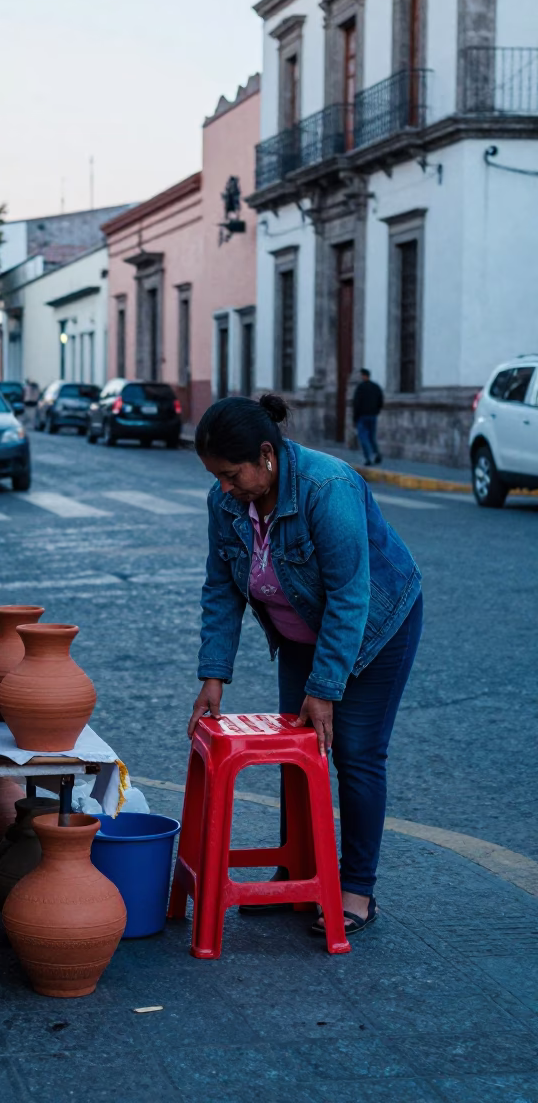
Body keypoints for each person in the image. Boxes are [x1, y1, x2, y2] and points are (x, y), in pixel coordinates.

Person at [189, 394, 423, 937]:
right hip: (300, 632)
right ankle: (300, 874)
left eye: (230, 473)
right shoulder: (224, 503)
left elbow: (348, 594)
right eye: (215, 476)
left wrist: (324, 686)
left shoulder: (327, 487)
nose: (224, 487)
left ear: (266, 455)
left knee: (356, 752)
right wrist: (213, 675)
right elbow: (221, 588)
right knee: (302, 751)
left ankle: (356, 888)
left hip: (373, 626)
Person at [352, 368, 384, 465]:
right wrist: (376, 411)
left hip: (362, 417)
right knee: (372, 437)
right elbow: (380, 400)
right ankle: (377, 454)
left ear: (364, 376)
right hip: (372, 416)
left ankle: (368, 458)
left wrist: (354, 418)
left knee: (363, 438)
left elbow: (356, 404)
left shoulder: (360, 388)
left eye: (362, 375)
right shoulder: (376, 387)